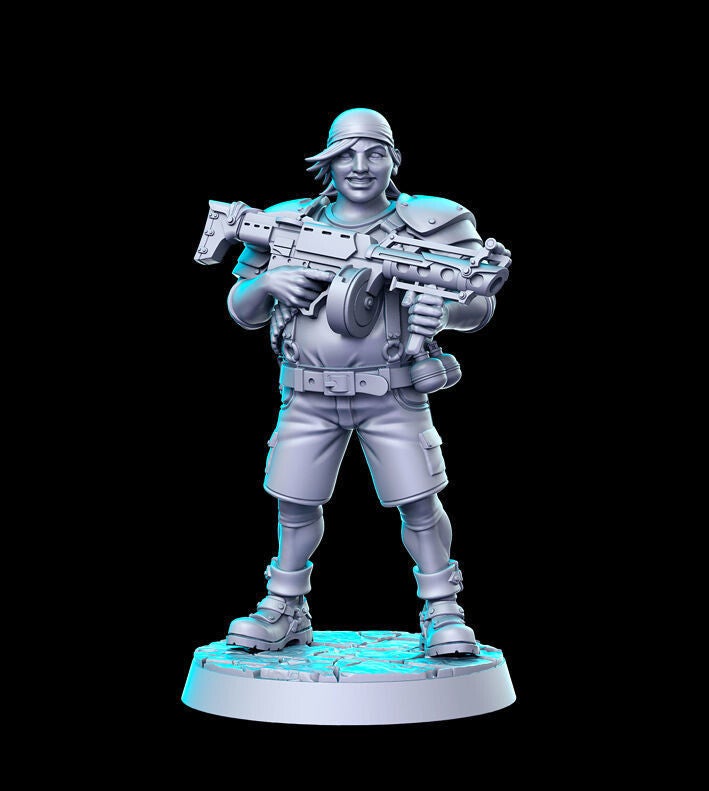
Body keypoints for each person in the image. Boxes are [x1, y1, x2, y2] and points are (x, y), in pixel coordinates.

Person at [225, 108, 497, 657]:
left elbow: (479, 302)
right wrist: (271, 284)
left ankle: (443, 609)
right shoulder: (286, 222)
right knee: (293, 502)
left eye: (375, 153)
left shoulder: (431, 224)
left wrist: (445, 313)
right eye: (347, 154)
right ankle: (285, 607)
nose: (360, 166)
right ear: (328, 161)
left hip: (392, 392)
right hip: (307, 392)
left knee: (419, 502)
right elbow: (241, 308)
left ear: (393, 160)